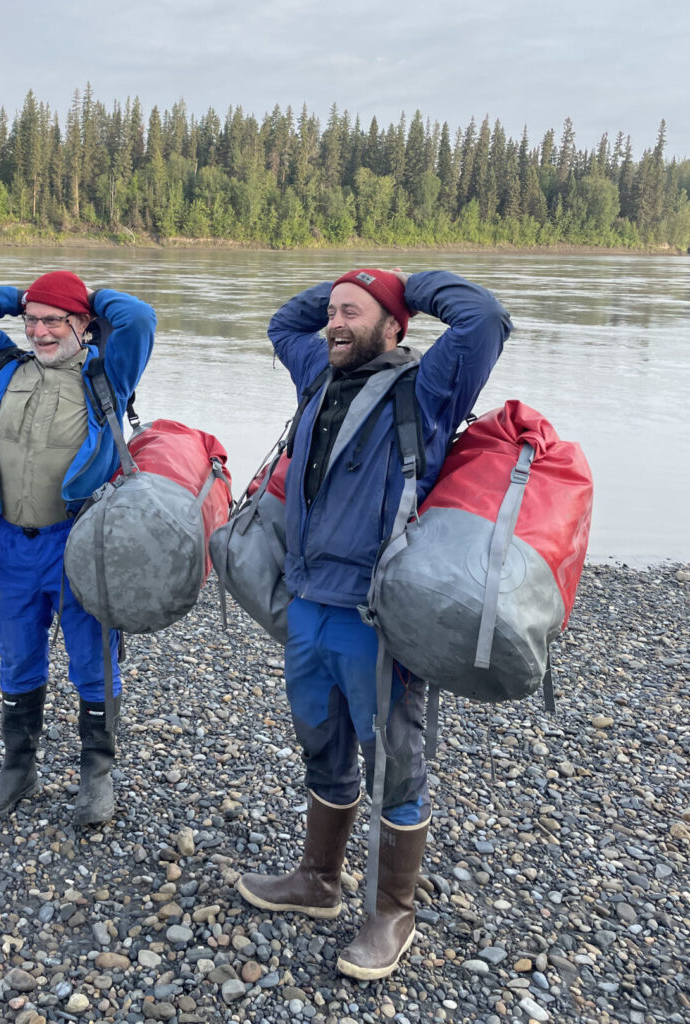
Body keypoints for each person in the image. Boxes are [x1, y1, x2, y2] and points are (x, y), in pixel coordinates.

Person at [236, 267, 511, 979]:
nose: (334, 322)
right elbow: (281, 324)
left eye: (352, 313)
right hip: (308, 606)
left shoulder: (429, 386)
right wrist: (345, 283)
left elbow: (482, 317)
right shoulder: (318, 371)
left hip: (375, 614)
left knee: (393, 758)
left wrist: (405, 285)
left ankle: (393, 914)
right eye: (332, 311)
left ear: (395, 326)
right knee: (320, 743)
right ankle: (319, 881)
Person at [0, 271, 155, 827]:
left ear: (83, 325)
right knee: (16, 656)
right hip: (12, 542)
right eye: (31, 321)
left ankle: (96, 776)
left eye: (52, 320)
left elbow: (139, 318)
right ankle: (17, 770)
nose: (38, 331)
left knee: (92, 661)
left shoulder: (108, 373)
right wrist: (26, 296)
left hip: (79, 540)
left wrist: (85, 297)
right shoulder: (5, 367)